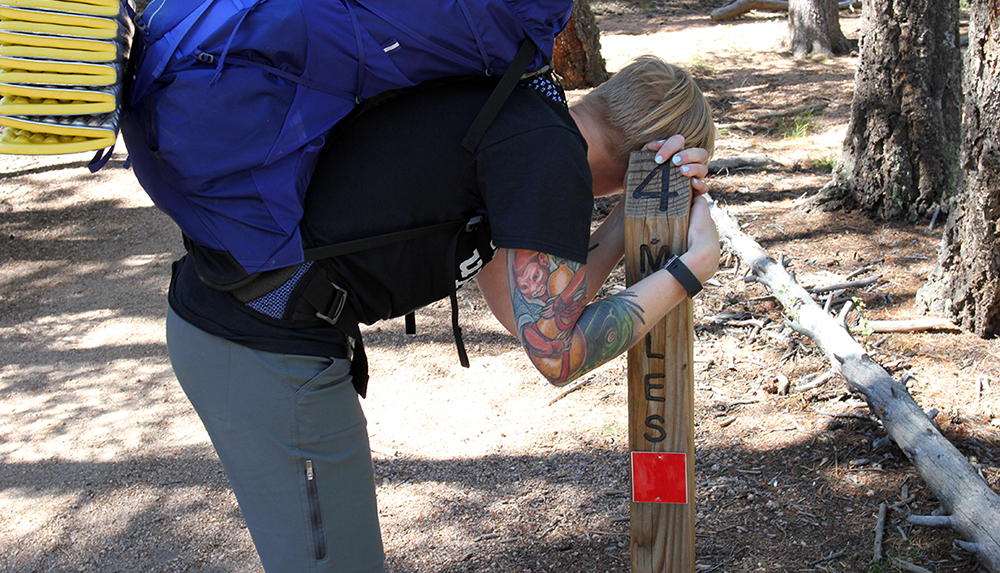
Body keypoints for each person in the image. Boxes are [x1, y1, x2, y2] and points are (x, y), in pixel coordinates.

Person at [165, 54, 720, 572]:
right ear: (656, 151)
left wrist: (629, 215)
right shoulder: (548, 157)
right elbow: (557, 353)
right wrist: (692, 266)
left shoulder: (523, 108)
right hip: (265, 349)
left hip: (229, 321)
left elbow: (526, 311)